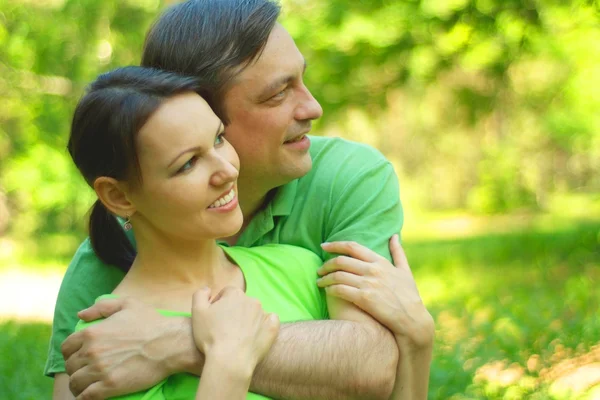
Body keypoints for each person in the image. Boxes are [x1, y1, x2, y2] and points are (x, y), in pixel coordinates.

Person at [46, 0, 435, 399]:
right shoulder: (102, 274)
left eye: (215, 140)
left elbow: (373, 365)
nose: (313, 107)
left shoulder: (309, 248)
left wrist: (183, 342)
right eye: (277, 94)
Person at [60, 66, 327, 399]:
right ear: (119, 196)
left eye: (218, 139)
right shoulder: (109, 345)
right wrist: (227, 360)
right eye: (188, 163)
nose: (228, 171)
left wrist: (413, 340)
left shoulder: (300, 268)